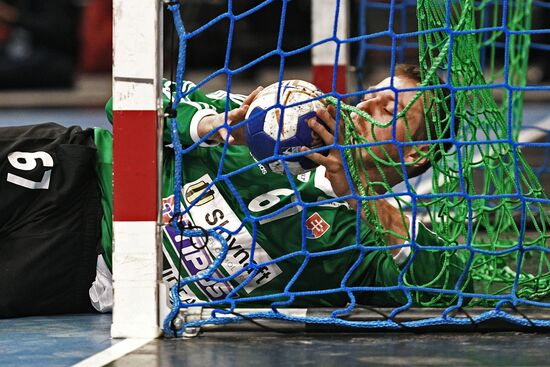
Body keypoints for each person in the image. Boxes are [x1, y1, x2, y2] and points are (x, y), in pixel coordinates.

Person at [0, 64, 472, 318]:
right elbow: (126, 98)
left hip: (83, 267)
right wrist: (216, 125)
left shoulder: (370, 241)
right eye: (373, 90)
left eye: (391, 107)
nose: (368, 102)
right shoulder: (278, 118)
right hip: (77, 172)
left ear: (415, 154)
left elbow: (450, 293)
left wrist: (363, 195)